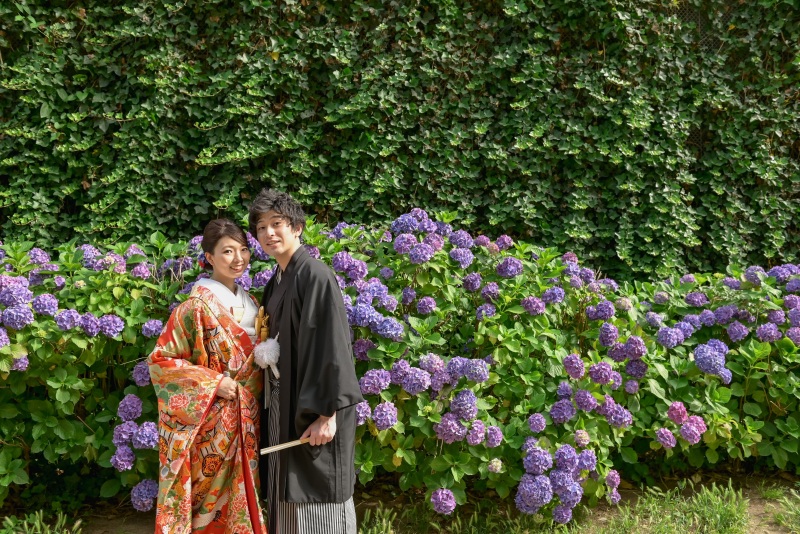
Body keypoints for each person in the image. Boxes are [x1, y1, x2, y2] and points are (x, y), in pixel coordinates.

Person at [249, 189, 364, 534]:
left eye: (276, 223)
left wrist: (328, 414)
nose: (268, 233)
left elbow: (333, 348)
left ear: (296, 227)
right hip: (283, 407)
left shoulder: (315, 274)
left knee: (319, 502)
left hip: (315, 411)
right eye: (260, 228)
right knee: (286, 500)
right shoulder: (276, 282)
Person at [148, 219, 267, 534]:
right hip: (211, 422)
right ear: (210, 257)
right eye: (227, 251)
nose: (238, 258)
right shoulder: (194, 307)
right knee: (207, 504)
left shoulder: (254, 304)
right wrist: (214, 383)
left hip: (248, 420)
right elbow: (162, 361)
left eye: (243, 250)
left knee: (242, 496)